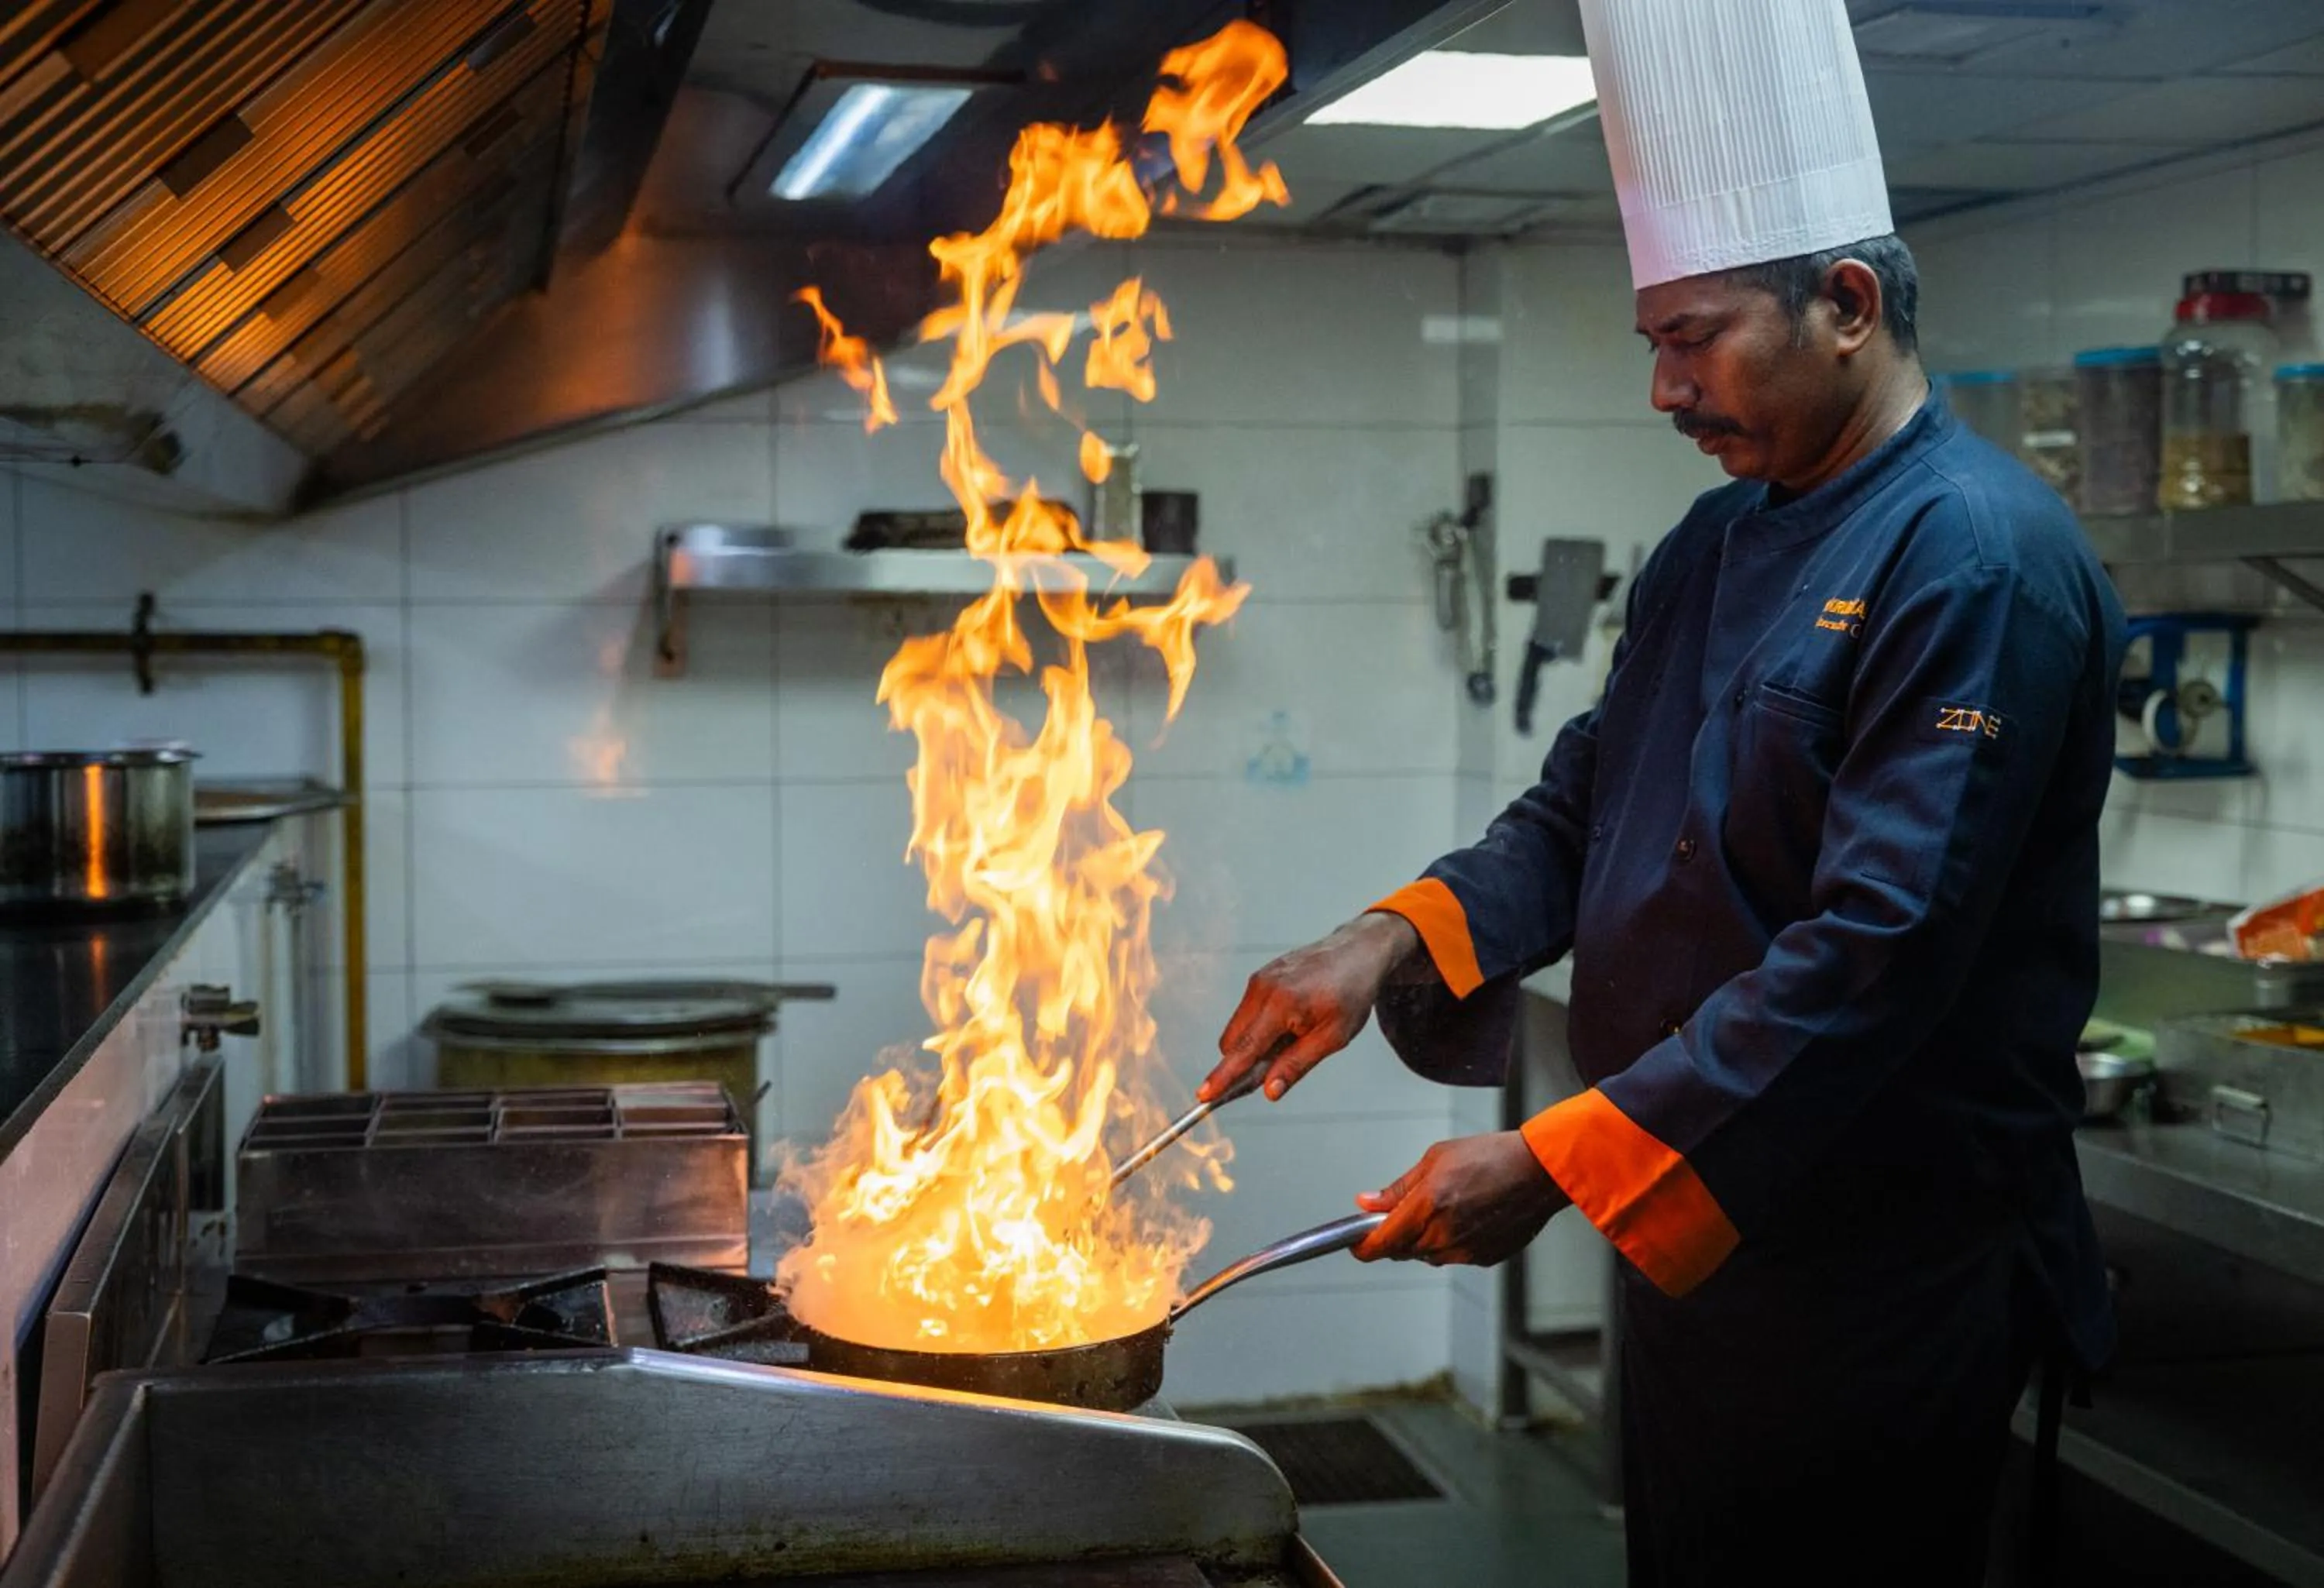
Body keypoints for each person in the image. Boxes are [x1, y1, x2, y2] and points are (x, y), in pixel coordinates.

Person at [1200, 5, 2124, 1583]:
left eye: (1693, 337)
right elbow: (1586, 805)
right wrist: (1381, 940)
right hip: (1708, 1238)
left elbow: (1877, 950)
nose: (1663, 389)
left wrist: (1561, 1154)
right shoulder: (1717, 538)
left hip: (1878, 1269)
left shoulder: (1972, 556)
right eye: (1653, 344)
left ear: (1845, 305)